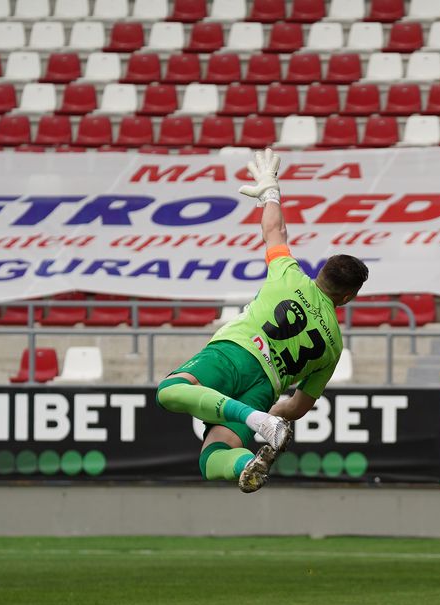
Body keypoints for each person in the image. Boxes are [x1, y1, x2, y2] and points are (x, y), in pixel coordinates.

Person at [156, 148, 369, 493]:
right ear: (347, 297)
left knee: (169, 391)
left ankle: (251, 418)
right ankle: (246, 463)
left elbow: (276, 231)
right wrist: (274, 413)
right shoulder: (333, 346)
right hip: (265, 388)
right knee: (214, 457)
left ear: (320, 273)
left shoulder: (289, 275)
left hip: (236, 353)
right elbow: (298, 407)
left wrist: (270, 190)